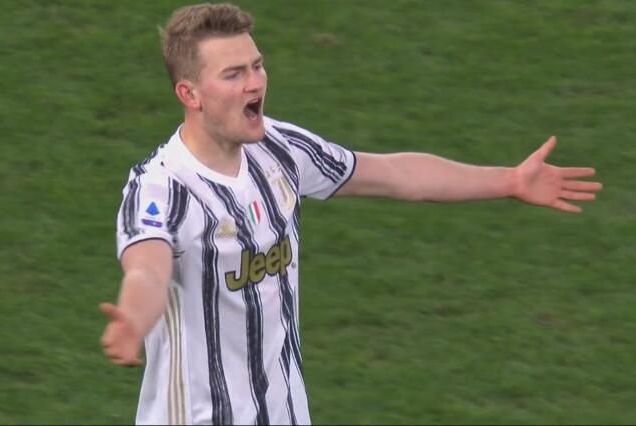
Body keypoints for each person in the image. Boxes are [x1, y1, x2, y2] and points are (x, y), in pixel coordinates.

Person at [99, 2, 602, 425]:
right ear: (189, 94)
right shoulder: (162, 187)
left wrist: (509, 180)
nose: (255, 83)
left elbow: (396, 175)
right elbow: (148, 268)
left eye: (257, 66)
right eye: (234, 74)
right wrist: (134, 319)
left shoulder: (280, 149)